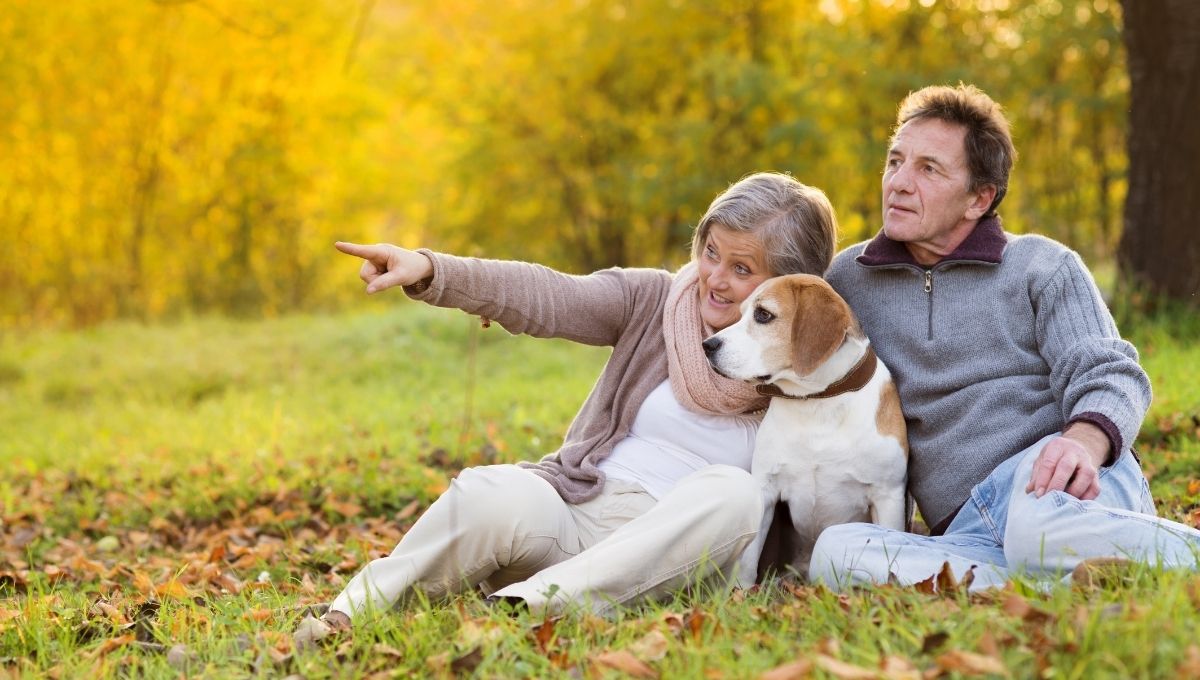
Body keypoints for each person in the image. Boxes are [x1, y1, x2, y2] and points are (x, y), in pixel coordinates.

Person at [312, 172, 839, 633]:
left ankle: (531, 607)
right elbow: (551, 295)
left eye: (742, 269)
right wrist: (431, 270)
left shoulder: (812, 375)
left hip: (674, 558)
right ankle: (350, 614)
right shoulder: (655, 300)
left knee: (735, 491)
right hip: (577, 515)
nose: (714, 279)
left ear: (791, 285)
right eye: (711, 252)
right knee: (493, 489)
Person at [810, 84, 1200, 590]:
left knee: (1035, 529)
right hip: (967, 529)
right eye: (895, 161)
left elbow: (1113, 373)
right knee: (837, 553)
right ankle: (1049, 581)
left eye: (928, 169)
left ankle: (1068, 561)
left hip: (1064, 488)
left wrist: (1081, 444)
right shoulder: (850, 279)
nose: (899, 183)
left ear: (980, 198)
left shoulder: (1043, 265)